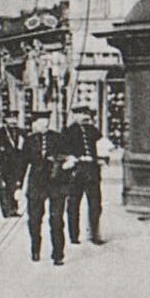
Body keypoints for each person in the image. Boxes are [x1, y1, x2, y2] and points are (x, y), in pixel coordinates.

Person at [22, 108, 72, 266]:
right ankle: (35, 249)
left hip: (56, 183)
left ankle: (58, 254)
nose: (43, 125)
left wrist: (63, 162)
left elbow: (68, 156)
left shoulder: (58, 138)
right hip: (36, 183)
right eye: (39, 122)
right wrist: (17, 186)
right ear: (34, 124)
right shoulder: (29, 140)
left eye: (45, 122)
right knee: (35, 219)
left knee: (56, 219)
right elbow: (22, 164)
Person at [63, 105, 105, 246]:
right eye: (80, 114)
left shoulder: (93, 130)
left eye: (85, 114)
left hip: (92, 170)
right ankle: (74, 235)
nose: (84, 117)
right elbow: (64, 151)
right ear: (74, 116)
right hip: (77, 171)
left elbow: (102, 145)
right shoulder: (68, 131)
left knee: (95, 203)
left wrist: (102, 157)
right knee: (74, 203)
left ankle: (94, 233)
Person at [0, 109, 27, 218]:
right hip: (3, 163)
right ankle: (7, 210)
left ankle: (14, 208)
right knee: (3, 187)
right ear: (5, 120)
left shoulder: (21, 133)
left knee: (15, 186)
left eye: (15, 119)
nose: (13, 121)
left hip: (18, 163)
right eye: (10, 119)